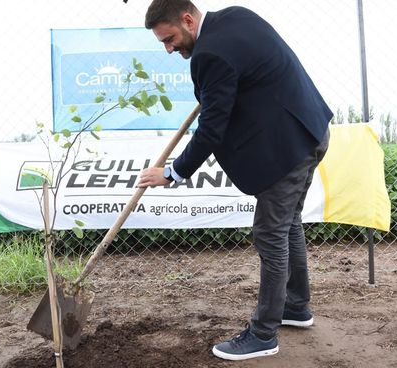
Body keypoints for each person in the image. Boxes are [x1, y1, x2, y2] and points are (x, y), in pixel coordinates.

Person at [138, 0, 332, 361]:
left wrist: (173, 172)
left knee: (270, 233)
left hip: (288, 147)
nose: (168, 48)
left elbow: (211, 130)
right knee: (287, 224)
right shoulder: (236, 17)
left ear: (187, 19)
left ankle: (263, 335)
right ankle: (296, 307)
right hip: (310, 130)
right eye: (163, 43)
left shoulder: (210, 55)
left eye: (170, 39)